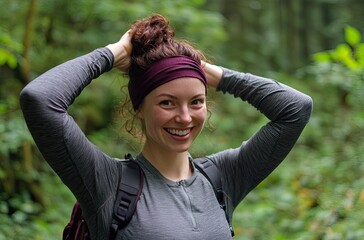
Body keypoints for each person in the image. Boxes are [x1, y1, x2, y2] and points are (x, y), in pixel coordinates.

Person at [20, 14, 312, 240]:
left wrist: (213, 73)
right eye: (168, 103)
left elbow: (296, 109)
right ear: (139, 108)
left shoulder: (223, 178)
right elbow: (40, 99)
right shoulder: (106, 183)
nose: (185, 117)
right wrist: (112, 54)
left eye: (196, 102)